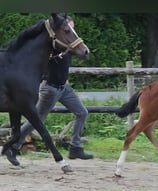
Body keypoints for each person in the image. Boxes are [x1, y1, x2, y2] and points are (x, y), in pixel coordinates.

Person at [4, 16, 93, 167]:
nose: (71, 33)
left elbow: (77, 47)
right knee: (36, 119)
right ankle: (13, 147)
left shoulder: (69, 45)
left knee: (82, 112)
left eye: (72, 30)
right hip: (50, 88)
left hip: (64, 88)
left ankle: (75, 147)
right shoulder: (52, 46)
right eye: (68, 30)